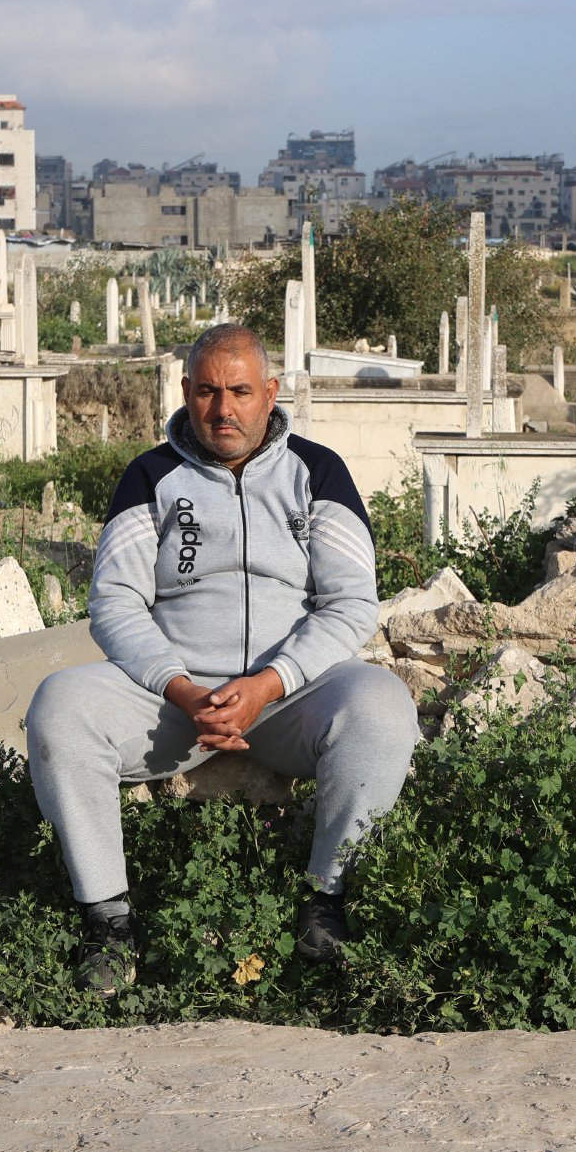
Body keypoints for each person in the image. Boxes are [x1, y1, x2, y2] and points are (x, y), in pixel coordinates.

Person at [26, 323, 419, 994]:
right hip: (175, 702)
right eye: (207, 391)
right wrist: (180, 688)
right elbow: (114, 602)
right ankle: (109, 925)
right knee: (59, 706)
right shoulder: (149, 477)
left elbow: (352, 602)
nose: (223, 409)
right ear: (185, 392)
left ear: (270, 393)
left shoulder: (317, 472)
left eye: (240, 391)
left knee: (384, 707)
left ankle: (327, 904)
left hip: (293, 698)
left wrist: (269, 683)